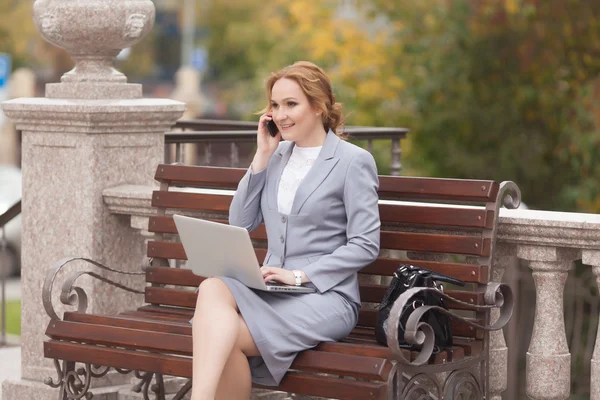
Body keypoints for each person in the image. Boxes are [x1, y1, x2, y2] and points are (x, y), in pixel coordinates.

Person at [190, 61, 381, 400]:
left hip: (325, 296)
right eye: (275, 105)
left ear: (319, 105)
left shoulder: (353, 161)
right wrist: (262, 157)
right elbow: (240, 222)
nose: (280, 114)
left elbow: (365, 244)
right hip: (271, 288)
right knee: (213, 287)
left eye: (291, 104)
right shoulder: (277, 156)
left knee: (221, 336)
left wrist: (299, 275)